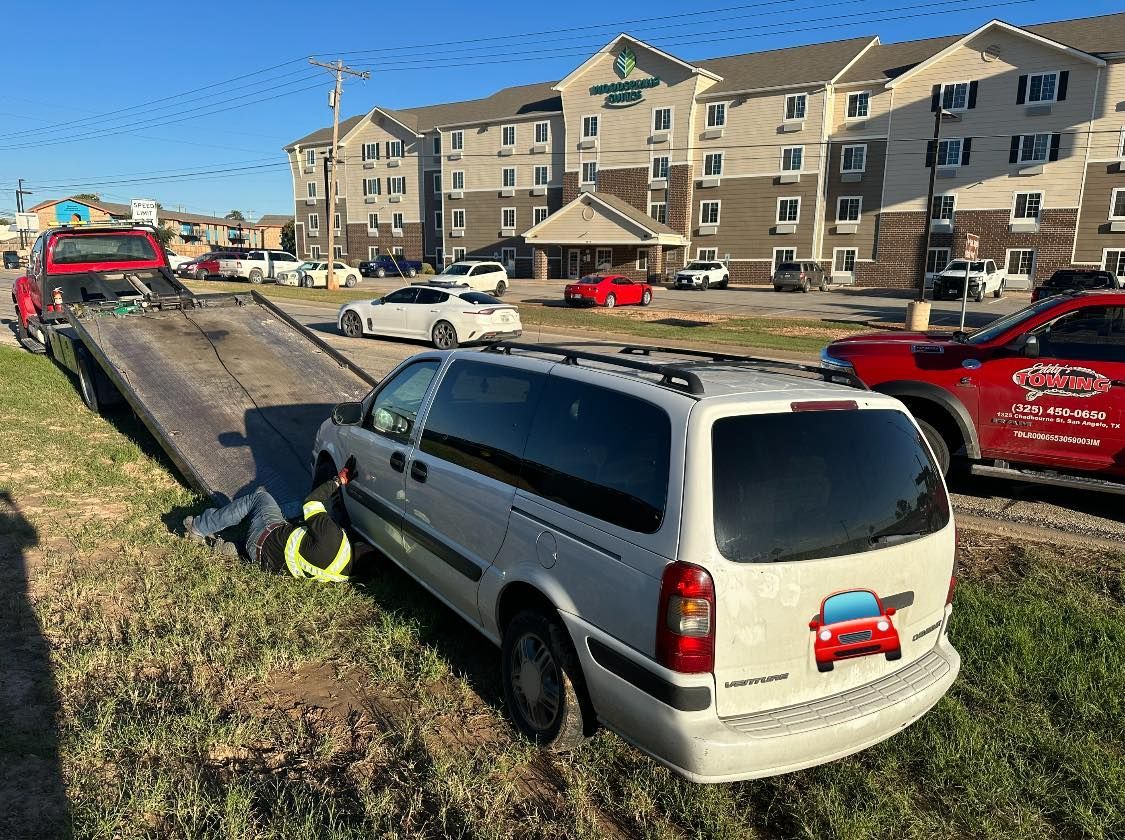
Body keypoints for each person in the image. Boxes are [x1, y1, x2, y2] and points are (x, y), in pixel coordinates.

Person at [183, 460, 355, 582]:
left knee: (260, 496)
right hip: (267, 563)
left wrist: (339, 480)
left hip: (262, 539)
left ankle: (198, 528)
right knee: (282, 528)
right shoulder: (341, 575)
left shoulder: (333, 538)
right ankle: (237, 548)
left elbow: (312, 501)